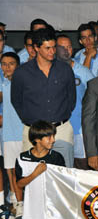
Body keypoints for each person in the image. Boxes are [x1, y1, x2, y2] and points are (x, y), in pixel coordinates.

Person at [11, 28, 76, 168]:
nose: (52, 51)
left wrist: (61, 115)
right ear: (36, 48)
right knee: (31, 175)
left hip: (61, 130)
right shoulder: (22, 73)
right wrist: (29, 120)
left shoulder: (65, 69)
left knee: (65, 176)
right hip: (33, 132)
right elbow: (16, 100)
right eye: (47, 48)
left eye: (54, 47)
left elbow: (71, 99)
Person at [15, 121, 65, 219]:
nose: (53, 140)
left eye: (53, 136)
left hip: (53, 212)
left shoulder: (57, 157)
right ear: (37, 139)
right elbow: (19, 184)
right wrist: (35, 174)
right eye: (49, 137)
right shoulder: (23, 158)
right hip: (32, 213)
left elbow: (63, 183)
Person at [56, 34, 94, 169]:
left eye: (69, 47)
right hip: (58, 128)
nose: (67, 50)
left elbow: (94, 97)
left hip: (79, 128)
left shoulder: (83, 71)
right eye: (62, 47)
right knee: (61, 166)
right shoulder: (49, 70)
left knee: (82, 165)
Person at [1, 52, 24, 218]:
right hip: (8, 134)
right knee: (10, 172)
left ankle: (24, 203)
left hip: (24, 133)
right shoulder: (2, 85)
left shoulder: (25, 84)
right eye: (3, 64)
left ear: (18, 66)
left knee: (23, 171)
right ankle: (17, 203)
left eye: (11, 64)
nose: (7, 67)